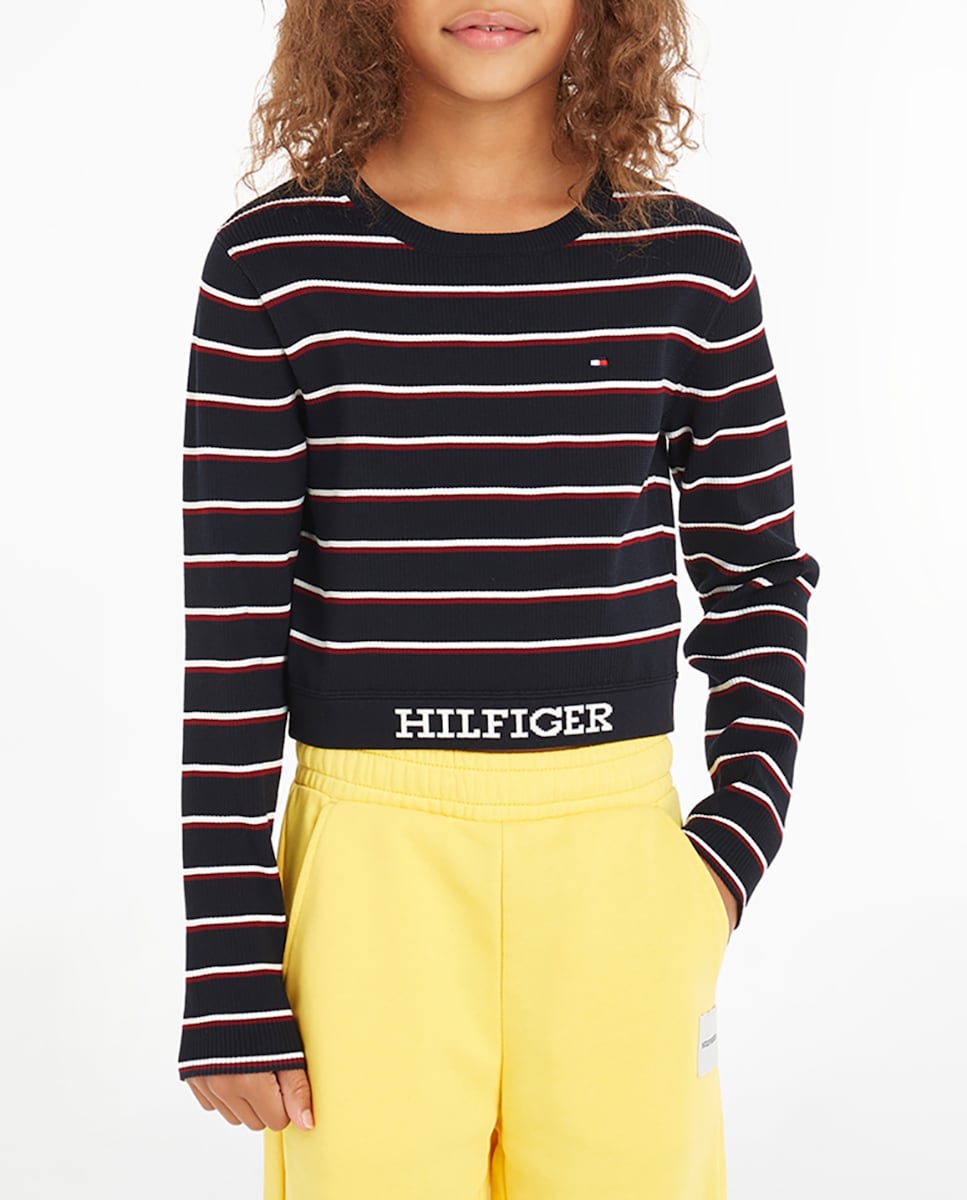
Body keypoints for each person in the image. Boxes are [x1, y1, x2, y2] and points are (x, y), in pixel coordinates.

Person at [177, 2, 820, 1197]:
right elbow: (230, 624)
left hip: (618, 864)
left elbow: (758, 579)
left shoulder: (687, 265)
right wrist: (227, 960)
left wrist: (729, 851)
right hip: (371, 867)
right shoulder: (276, 262)